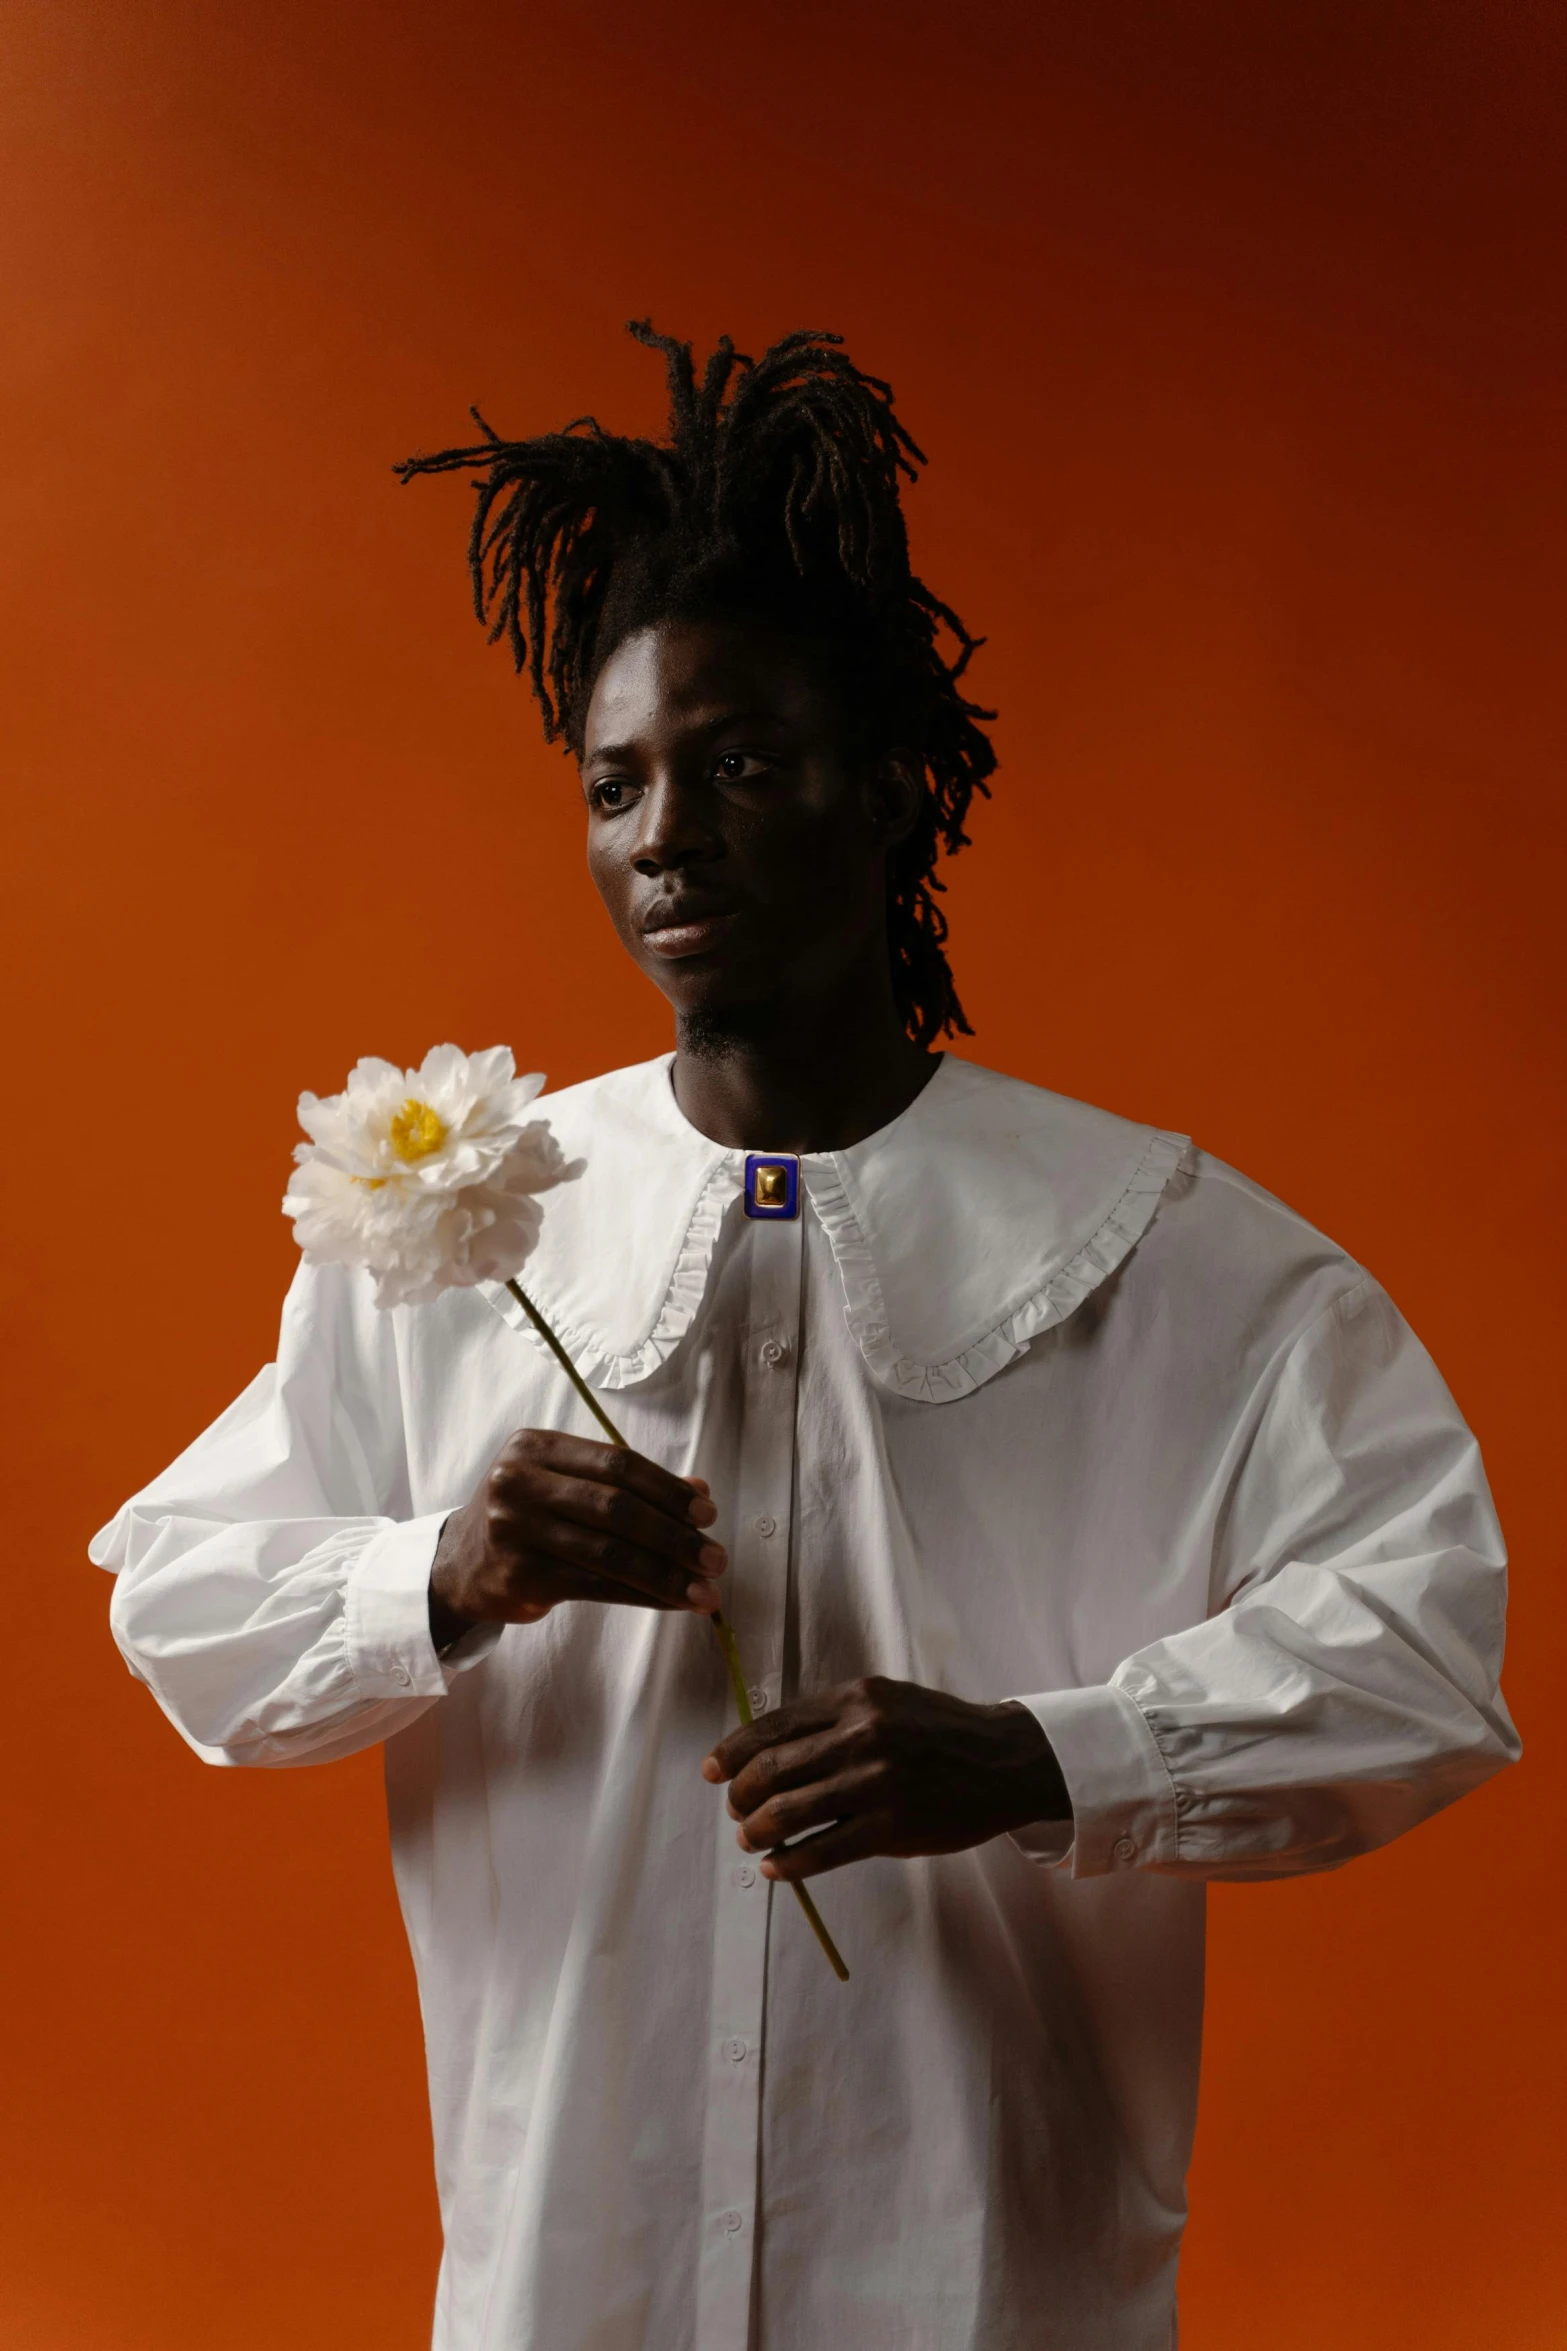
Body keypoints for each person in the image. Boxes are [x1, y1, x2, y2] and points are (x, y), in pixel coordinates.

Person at [92, 324, 1518, 2351]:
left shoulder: (1173, 1256)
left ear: (894, 782)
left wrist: (1044, 1749)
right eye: (618, 782)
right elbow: (183, 1605)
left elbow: (1423, 1650)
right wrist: (443, 1570)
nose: (666, 829)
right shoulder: (457, 1225)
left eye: (740, 759)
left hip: (983, 2266)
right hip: (568, 2257)